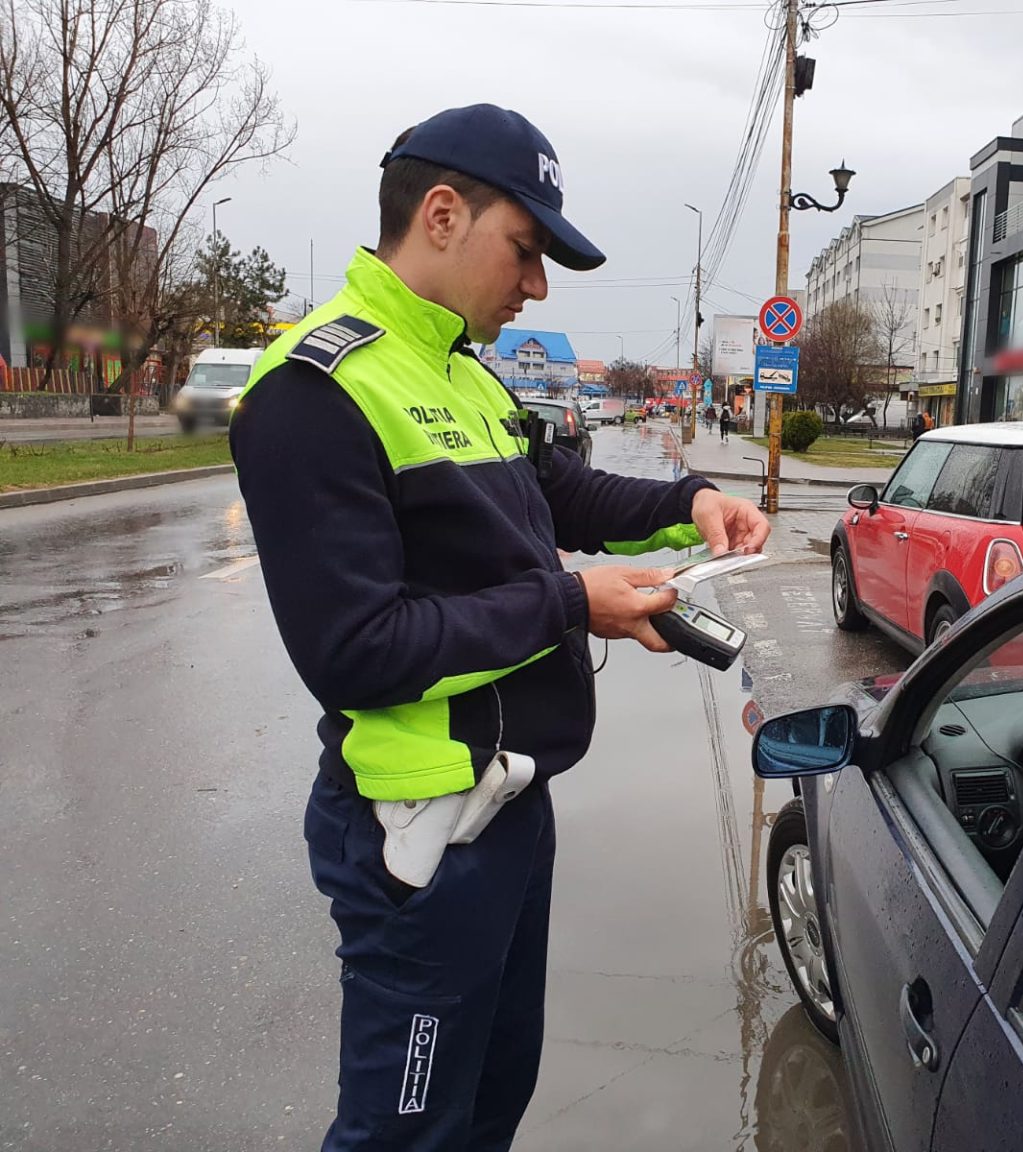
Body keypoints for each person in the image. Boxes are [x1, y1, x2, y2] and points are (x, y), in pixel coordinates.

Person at [228, 104, 770, 1151]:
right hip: (423, 832)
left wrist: (692, 499)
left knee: (488, 1108)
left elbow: (560, 494)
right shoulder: (314, 390)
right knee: (405, 1134)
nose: (536, 287)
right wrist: (574, 606)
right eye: (525, 251)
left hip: (515, 806)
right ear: (441, 215)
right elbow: (357, 651)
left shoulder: (467, 372)